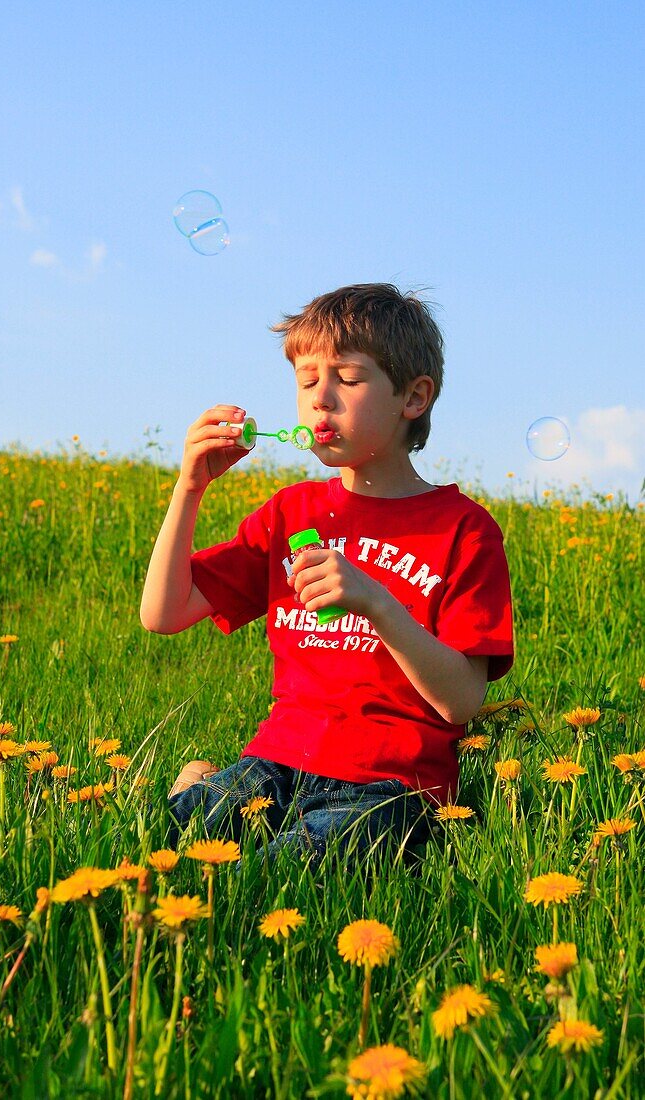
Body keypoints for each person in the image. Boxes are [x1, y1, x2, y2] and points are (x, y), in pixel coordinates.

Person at [140, 283, 514, 864]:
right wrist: (189, 489)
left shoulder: (464, 530)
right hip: (277, 762)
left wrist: (379, 603)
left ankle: (207, 788)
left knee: (285, 867)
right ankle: (201, 786)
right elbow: (163, 614)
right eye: (307, 380)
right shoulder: (291, 514)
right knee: (160, 839)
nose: (320, 399)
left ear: (413, 398)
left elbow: (462, 701)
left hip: (393, 787)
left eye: (348, 378)